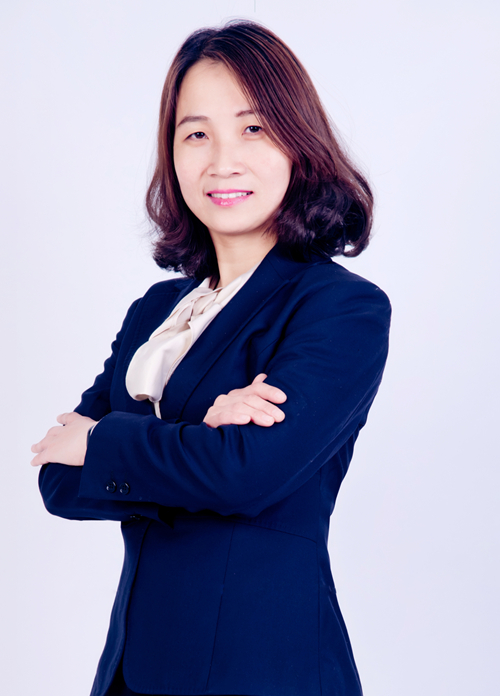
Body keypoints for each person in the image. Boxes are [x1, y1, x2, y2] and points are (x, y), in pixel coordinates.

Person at [31, 20, 391, 696]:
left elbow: (247, 476)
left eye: (253, 129)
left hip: (261, 669)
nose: (222, 161)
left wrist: (108, 444)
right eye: (196, 134)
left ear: (298, 143)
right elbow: (57, 478)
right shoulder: (157, 310)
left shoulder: (340, 308)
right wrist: (200, 441)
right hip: (131, 670)